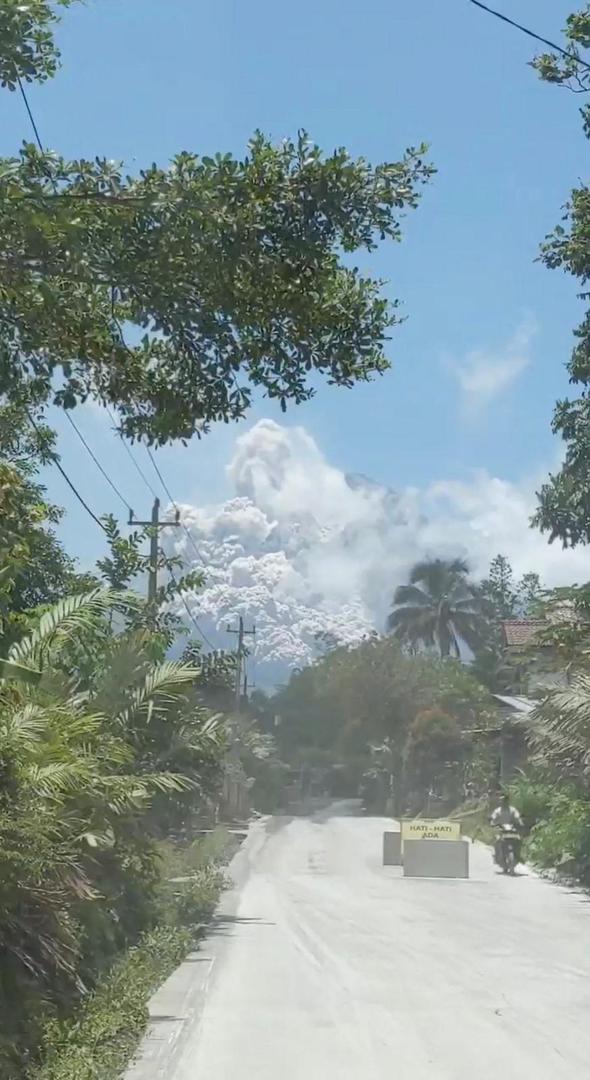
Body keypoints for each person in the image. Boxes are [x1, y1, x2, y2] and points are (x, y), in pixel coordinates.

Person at [490, 794, 524, 865]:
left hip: (511, 829)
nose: (503, 802)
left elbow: (517, 817)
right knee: (497, 841)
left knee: (519, 840)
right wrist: (492, 823)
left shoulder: (512, 810)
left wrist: (520, 822)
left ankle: (518, 855)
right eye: (502, 801)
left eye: (505, 800)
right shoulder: (497, 811)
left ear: (507, 801)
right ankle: (497, 856)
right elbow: (493, 819)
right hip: (500, 829)